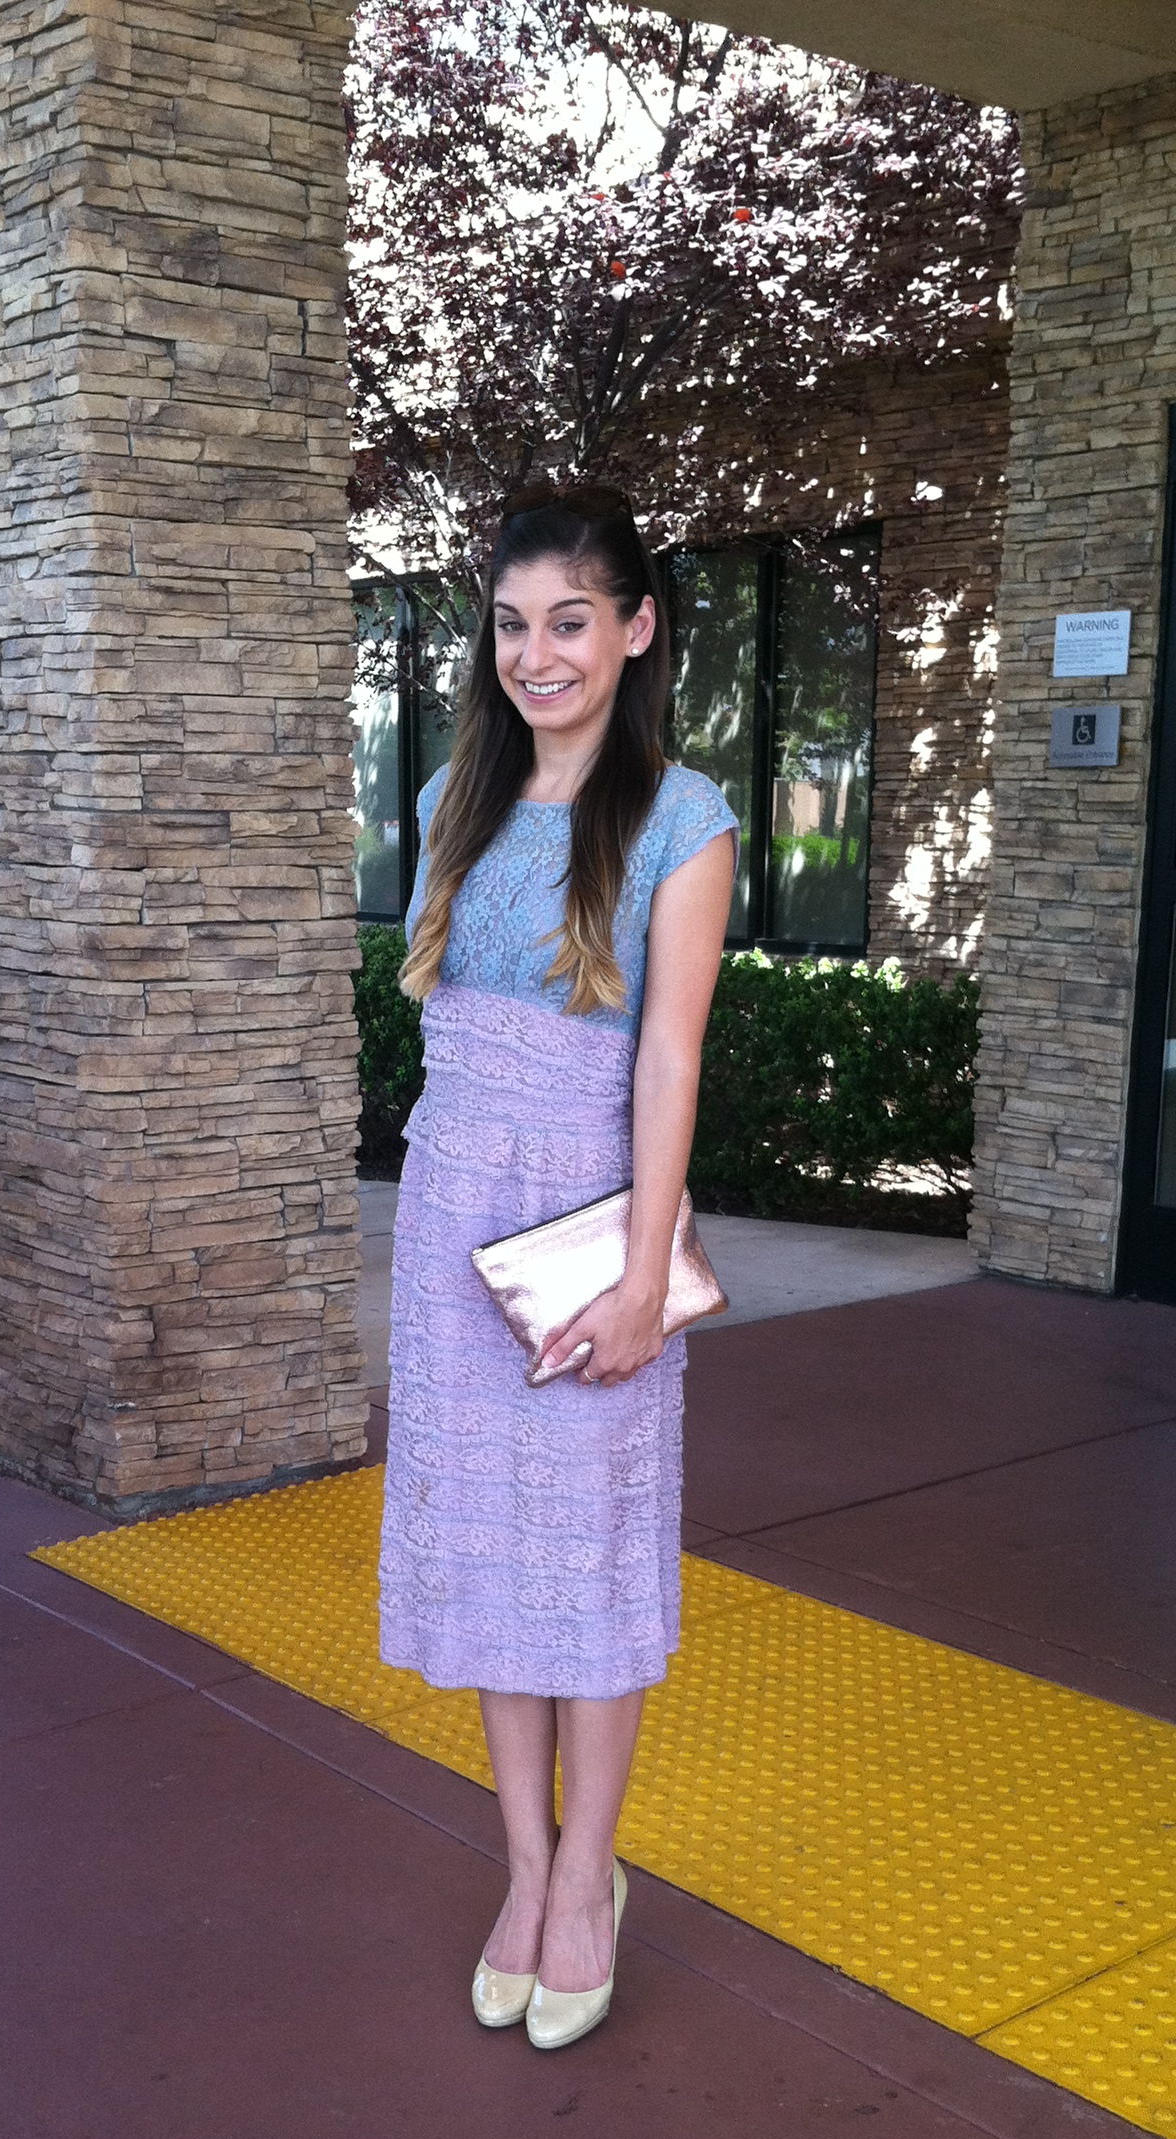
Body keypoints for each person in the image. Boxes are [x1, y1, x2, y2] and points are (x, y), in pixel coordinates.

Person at [377, 484, 737, 2050]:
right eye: (515, 624)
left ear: (637, 628)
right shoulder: (457, 795)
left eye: (571, 621)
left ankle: (591, 1880)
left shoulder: (684, 818)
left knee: (584, 1558)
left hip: (589, 1222)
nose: (539, 654)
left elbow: (669, 1059)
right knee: (485, 1553)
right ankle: (522, 1870)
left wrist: (646, 1277)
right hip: (450, 1218)